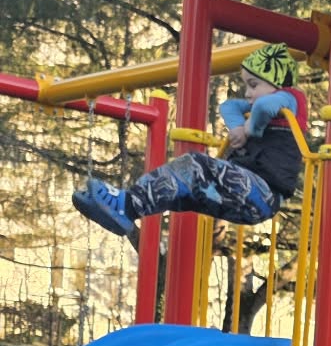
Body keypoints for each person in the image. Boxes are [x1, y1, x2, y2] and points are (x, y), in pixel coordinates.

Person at [71, 42, 305, 245]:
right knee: (181, 188)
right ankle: (126, 209)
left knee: (194, 166)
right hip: (245, 195)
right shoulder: (262, 103)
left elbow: (264, 107)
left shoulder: (291, 98)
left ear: (278, 83)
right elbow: (228, 106)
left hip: (264, 193)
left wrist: (250, 129)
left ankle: (126, 203)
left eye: (253, 85)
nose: (247, 93)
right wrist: (237, 128)